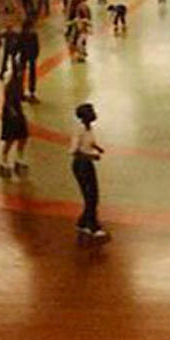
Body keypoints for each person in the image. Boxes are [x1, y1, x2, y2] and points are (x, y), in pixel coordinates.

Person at [70, 103, 109, 242]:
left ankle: (82, 222)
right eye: (91, 112)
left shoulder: (89, 128)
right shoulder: (79, 130)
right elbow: (74, 150)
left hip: (87, 164)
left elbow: (89, 142)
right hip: (81, 165)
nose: (94, 114)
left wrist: (97, 148)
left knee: (92, 195)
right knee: (90, 196)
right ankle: (93, 226)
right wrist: (91, 156)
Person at [0, 70, 29, 178]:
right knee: (10, 138)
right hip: (10, 113)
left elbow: (20, 96)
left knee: (23, 136)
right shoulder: (10, 82)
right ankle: (3, 159)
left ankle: (19, 157)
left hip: (18, 111)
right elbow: (8, 100)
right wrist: (13, 112)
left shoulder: (19, 82)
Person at [18, 17, 41, 103]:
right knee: (31, 75)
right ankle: (31, 93)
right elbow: (36, 47)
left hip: (24, 56)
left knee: (22, 74)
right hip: (31, 56)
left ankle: (21, 92)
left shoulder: (21, 34)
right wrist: (35, 55)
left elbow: (18, 46)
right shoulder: (33, 35)